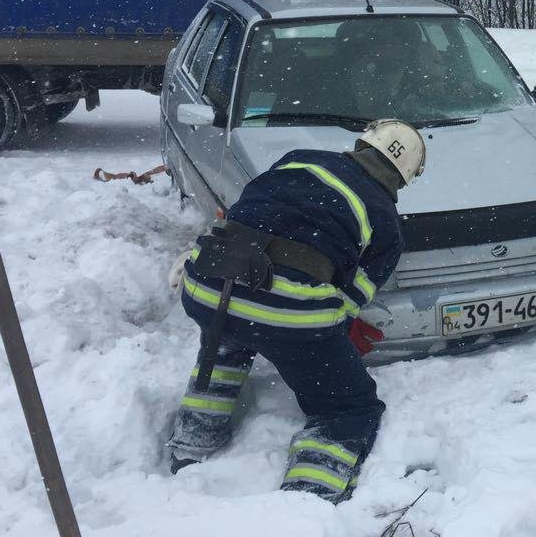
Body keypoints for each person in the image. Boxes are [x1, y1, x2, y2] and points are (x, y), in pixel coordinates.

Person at [165, 119, 425, 502]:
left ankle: (191, 443)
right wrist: (326, 341)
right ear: (404, 178)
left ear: (361, 144)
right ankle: (307, 497)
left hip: (207, 282)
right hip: (287, 313)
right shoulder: (386, 222)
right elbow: (351, 299)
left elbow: (252, 210)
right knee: (348, 406)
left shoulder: (299, 159)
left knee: (227, 338)